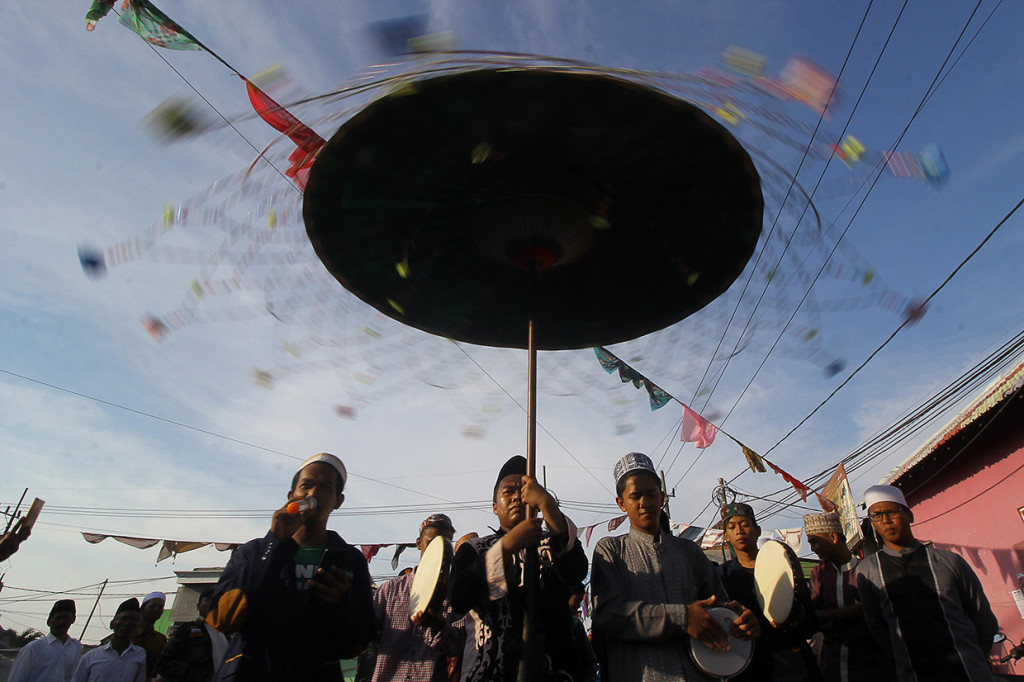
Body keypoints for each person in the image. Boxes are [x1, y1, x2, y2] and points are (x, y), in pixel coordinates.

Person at [591, 452, 760, 682]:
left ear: (662, 497)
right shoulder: (611, 551)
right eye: (635, 496)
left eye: (651, 494)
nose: (645, 503)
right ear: (621, 503)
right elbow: (609, 614)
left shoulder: (689, 551)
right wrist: (682, 617)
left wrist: (739, 619)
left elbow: (719, 606)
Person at [206, 452, 374, 681]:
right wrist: (274, 543)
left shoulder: (350, 561)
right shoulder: (252, 552)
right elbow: (222, 620)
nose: (313, 493)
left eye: (325, 487)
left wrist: (342, 604)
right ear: (291, 496)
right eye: (306, 485)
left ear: (338, 501)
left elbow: (355, 645)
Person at [448, 455, 588, 682]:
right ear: (494, 506)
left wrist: (549, 506)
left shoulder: (552, 541)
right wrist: (507, 547)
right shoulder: (474, 549)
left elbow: (575, 571)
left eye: (522, 490)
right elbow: (459, 596)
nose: (516, 497)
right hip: (489, 672)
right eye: (507, 492)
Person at [854, 484, 999, 682]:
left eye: (892, 512)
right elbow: (877, 628)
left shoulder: (949, 561)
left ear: (909, 516)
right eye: (877, 516)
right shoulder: (868, 571)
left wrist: (977, 659)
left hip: (969, 672)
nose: (886, 521)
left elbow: (983, 617)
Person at [717, 501, 821, 682]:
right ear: (726, 536)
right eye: (732, 527)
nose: (739, 531)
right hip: (749, 667)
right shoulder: (722, 576)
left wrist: (794, 621)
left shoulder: (782, 565)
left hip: (792, 663)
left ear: (757, 531)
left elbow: (811, 618)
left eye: (745, 525)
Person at [371, 513, 466, 682]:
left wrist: (438, 625)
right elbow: (365, 634)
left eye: (446, 543)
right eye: (432, 542)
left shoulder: (455, 595)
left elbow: (457, 646)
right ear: (418, 544)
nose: (440, 549)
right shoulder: (390, 590)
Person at [804, 511, 896, 682]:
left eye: (815, 541)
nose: (812, 549)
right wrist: (844, 614)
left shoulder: (868, 569)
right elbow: (812, 617)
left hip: (871, 663)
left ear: (833, 536)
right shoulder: (819, 574)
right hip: (833, 663)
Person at [156, 588, 228, 682]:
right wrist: (196, 676)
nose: (213, 604)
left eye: (217, 600)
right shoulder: (188, 630)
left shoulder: (227, 636)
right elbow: (164, 663)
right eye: (208, 600)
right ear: (198, 606)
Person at [72, 598, 147, 682]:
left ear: (137, 627)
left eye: (133, 620)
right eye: (124, 619)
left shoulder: (139, 654)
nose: (127, 623)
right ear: (112, 624)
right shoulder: (91, 657)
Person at [8, 599, 82, 681]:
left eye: (66, 617)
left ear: (73, 619)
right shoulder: (33, 648)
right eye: (57, 618)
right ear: (49, 622)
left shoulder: (75, 647)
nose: (61, 622)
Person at [566, 583, 597, 682]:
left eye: (580, 601)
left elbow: (588, 662)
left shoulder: (575, 624)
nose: (578, 605)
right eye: (576, 601)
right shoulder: (574, 624)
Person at [135, 592, 167, 681]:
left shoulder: (160, 639)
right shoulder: (128, 635)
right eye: (152, 606)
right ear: (141, 609)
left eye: (160, 607)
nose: (156, 609)